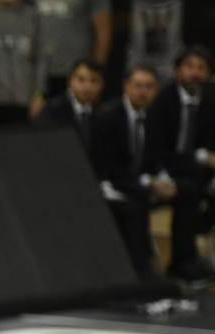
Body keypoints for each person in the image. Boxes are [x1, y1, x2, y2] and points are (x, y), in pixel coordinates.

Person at [92, 66, 175, 279]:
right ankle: (140, 270)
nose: (143, 92)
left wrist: (163, 179)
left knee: (185, 191)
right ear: (125, 88)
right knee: (135, 205)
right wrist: (148, 182)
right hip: (107, 183)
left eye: (149, 87)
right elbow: (109, 166)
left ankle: (183, 262)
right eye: (138, 86)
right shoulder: (108, 116)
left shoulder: (154, 117)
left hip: (134, 181)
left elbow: (156, 157)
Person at [148, 45, 215, 281]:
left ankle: (196, 240)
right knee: (189, 189)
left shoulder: (210, 100)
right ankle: (184, 260)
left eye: (201, 68)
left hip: (198, 171)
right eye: (190, 67)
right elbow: (155, 149)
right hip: (167, 168)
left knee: (198, 186)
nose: (195, 73)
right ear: (178, 71)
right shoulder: (164, 101)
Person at [34, 58, 103, 157]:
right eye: (81, 80)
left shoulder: (104, 114)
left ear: (102, 85)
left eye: (94, 81)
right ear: (70, 81)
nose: (87, 87)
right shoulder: (53, 110)